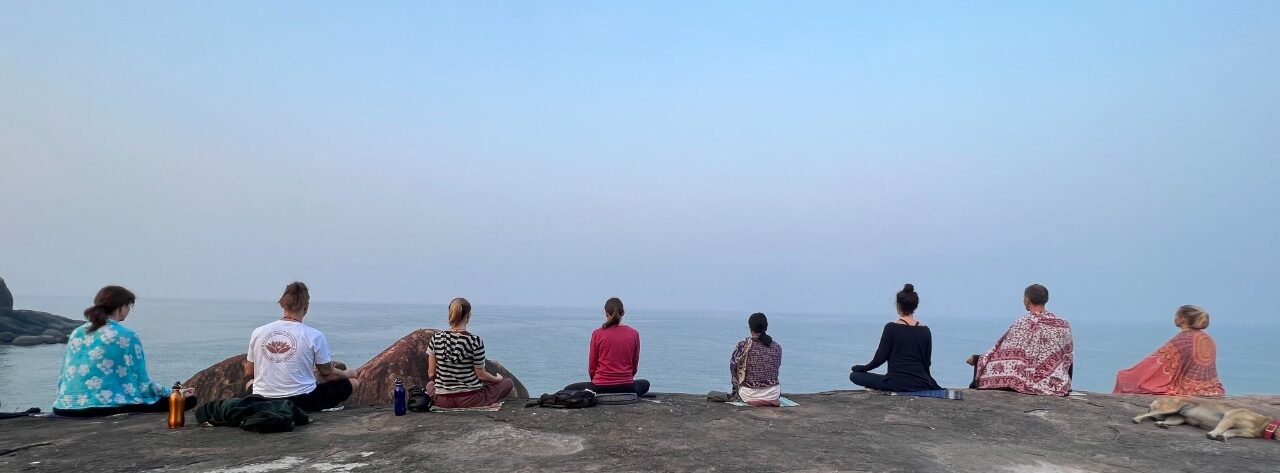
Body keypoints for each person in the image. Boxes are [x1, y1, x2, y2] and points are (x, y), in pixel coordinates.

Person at [53, 286, 198, 417]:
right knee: (188, 401)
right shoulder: (126, 335)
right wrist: (174, 393)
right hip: (104, 408)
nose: (128, 311)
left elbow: (63, 376)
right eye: (129, 306)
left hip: (63, 407)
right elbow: (143, 383)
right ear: (121, 308)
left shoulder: (77, 332)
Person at [247, 282, 359, 412]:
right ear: (306, 307)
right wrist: (348, 373)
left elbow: (249, 372)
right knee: (353, 382)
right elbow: (328, 374)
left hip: (263, 400)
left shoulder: (258, 332)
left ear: (283, 304)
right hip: (303, 402)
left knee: (249, 384)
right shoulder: (314, 335)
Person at [966, 284, 1074, 396]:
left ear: (1027, 300)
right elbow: (1068, 356)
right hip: (1057, 384)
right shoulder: (1063, 325)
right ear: (1046, 300)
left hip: (1028, 383)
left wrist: (978, 359)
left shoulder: (1022, 324)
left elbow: (1002, 353)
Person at [1113, 305, 1225, 396]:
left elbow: (1155, 362)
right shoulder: (1207, 338)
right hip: (1210, 388)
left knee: (1124, 376)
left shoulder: (1183, 339)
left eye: (1176, 316)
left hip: (1186, 389)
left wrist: (1129, 373)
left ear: (1182, 319)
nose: (1174, 318)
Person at [849, 284, 943, 392]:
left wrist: (863, 368)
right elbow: (927, 362)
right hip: (922, 382)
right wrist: (928, 380)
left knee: (854, 375)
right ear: (915, 306)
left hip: (897, 383)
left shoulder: (891, 328)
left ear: (898, 306)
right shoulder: (925, 330)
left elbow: (880, 358)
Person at [426, 297, 515, 408]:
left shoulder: (436, 338)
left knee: (430, 385)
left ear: (450, 314)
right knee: (508, 383)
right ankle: (486, 402)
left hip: (443, 401)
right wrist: (497, 379)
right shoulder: (475, 341)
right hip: (471, 399)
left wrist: (445, 386)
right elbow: (481, 375)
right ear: (468, 316)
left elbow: (431, 374)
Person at [564, 297, 651, 395]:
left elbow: (592, 367)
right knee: (645, 383)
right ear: (623, 313)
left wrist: (596, 383)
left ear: (606, 313)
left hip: (600, 387)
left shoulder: (597, 333)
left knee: (568, 388)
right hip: (627, 387)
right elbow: (634, 366)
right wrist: (624, 380)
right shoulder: (634, 333)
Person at [730, 312, 783, 406]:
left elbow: (734, 370)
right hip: (773, 394)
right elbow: (776, 368)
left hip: (749, 395)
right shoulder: (777, 347)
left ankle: (736, 395)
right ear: (766, 327)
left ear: (750, 327)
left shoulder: (742, 347)